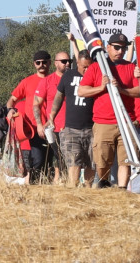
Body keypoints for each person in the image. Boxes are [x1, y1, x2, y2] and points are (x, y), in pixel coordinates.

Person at [78, 33, 139, 189]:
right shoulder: (96, 67)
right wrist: (101, 87)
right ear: (108, 47)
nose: (120, 51)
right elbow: (81, 91)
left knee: (126, 160)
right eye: (117, 47)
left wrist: (122, 90)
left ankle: (122, 189)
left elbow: (139, 91)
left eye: (124, 48)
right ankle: (104, 183)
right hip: (103, 122)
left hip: (126, 122)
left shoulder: (130, 67)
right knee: (102, 160)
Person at [48, 43, 95, 187]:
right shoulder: (69, 75)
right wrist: (52, 116)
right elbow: (58, 96)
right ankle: (73, 191)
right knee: (73, 162)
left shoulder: (96, 76)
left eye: (88, 66)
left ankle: (88, 192)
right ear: (77, 63)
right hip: (71, 130)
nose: (86, 70)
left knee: (91, 163)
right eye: (83, 67)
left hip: (92, 129)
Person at [6, 50, 51, 184]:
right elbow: (12, 99)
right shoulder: (27, 81)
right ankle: (32, 184)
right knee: (36, 159)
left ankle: (46, 185)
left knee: (52, 159)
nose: (41, 65)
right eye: (38, 62)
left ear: (49, 63)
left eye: (44, 62)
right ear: (34, 64)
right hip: (32, 128)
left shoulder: (55, 80)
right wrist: (10, 110)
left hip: (52, 125)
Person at [33, 50, 72, 184]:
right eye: (64, 61)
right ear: (55, 63)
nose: (67, 64)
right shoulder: (47, 81)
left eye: (69, 61)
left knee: (73, 158)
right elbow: (36, 104)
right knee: (59, 157)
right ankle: (60, 183)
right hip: (55, 127)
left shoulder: (75, 78)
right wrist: (39, 124)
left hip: (73, 126)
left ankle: (69, 183)